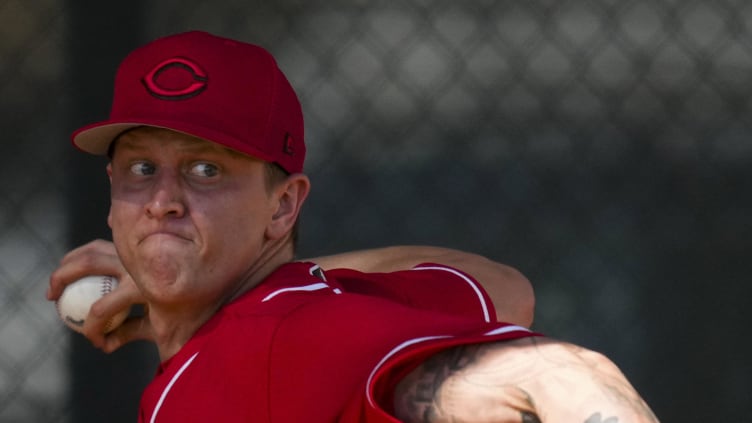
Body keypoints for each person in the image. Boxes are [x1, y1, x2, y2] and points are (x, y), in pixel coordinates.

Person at [47, 31, 658, 422]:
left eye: (207, 170)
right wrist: (182, 284)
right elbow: (502, 286)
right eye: (141, 169)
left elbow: (556, 374)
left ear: (283, 207)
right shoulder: (303, 311)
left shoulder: (269, 344)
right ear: (111, 197)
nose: (162, 201)